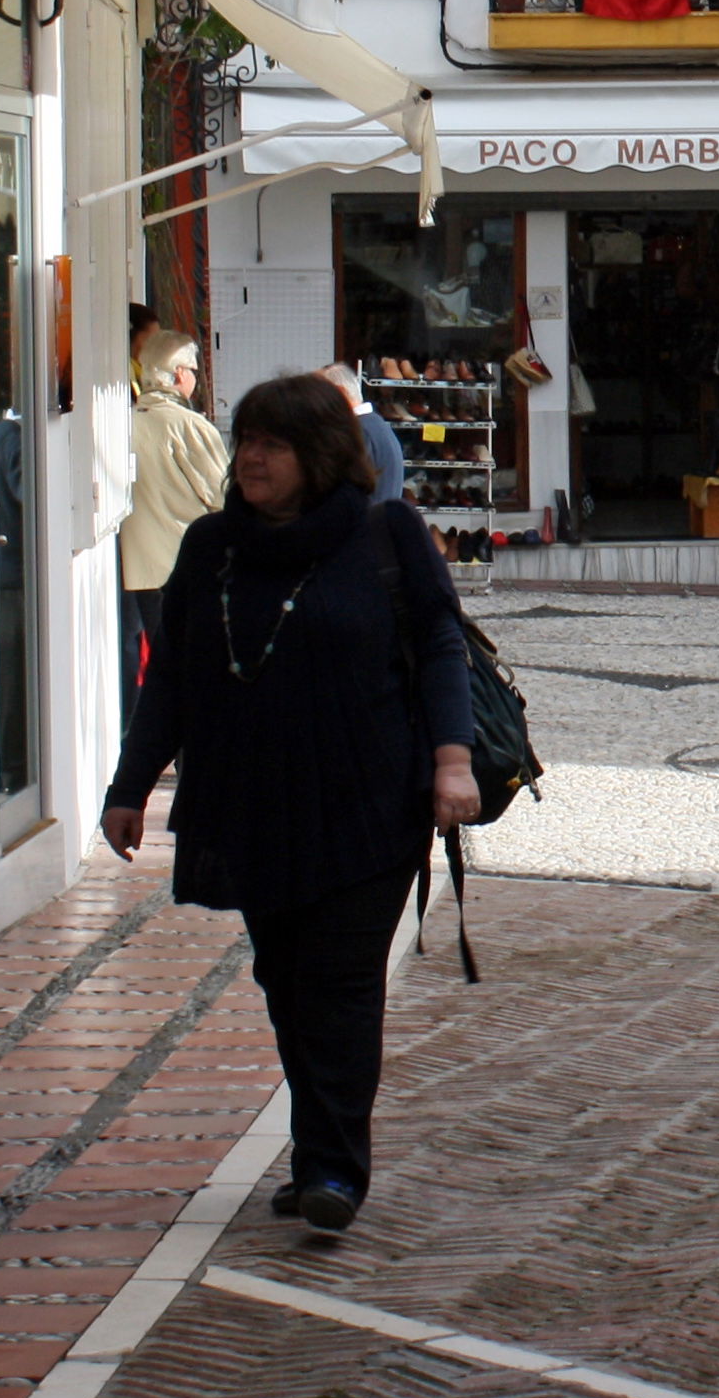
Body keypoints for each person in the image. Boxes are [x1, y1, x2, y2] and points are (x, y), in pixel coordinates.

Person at [100, 374, 475, 1231]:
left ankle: (336, 1173)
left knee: (339, 986)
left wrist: (451, 761)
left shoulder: (385, 535)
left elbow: (440, 643)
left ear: (321, 455)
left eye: (273, 443)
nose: (252, 458)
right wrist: (130, 788)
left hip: (367, 806)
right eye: (247, 442)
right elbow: (175, 682)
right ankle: (315, 1154)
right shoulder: (210, 547)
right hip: (249, 806)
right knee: (285, 983)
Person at [121, 329, 228, 716]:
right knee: (201, 672)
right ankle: (195, 765)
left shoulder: (124, 421)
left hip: (143, 570)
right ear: (180, 373)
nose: (196, 379)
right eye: (194, 371)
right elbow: (224, 495)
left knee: (167, 669)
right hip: (190, 567)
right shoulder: (188, 425)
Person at [315, 360, 409, 504]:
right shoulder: (374, 425)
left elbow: (349, 496)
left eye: (319, 396)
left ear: (340, 392)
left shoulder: (360, 432)